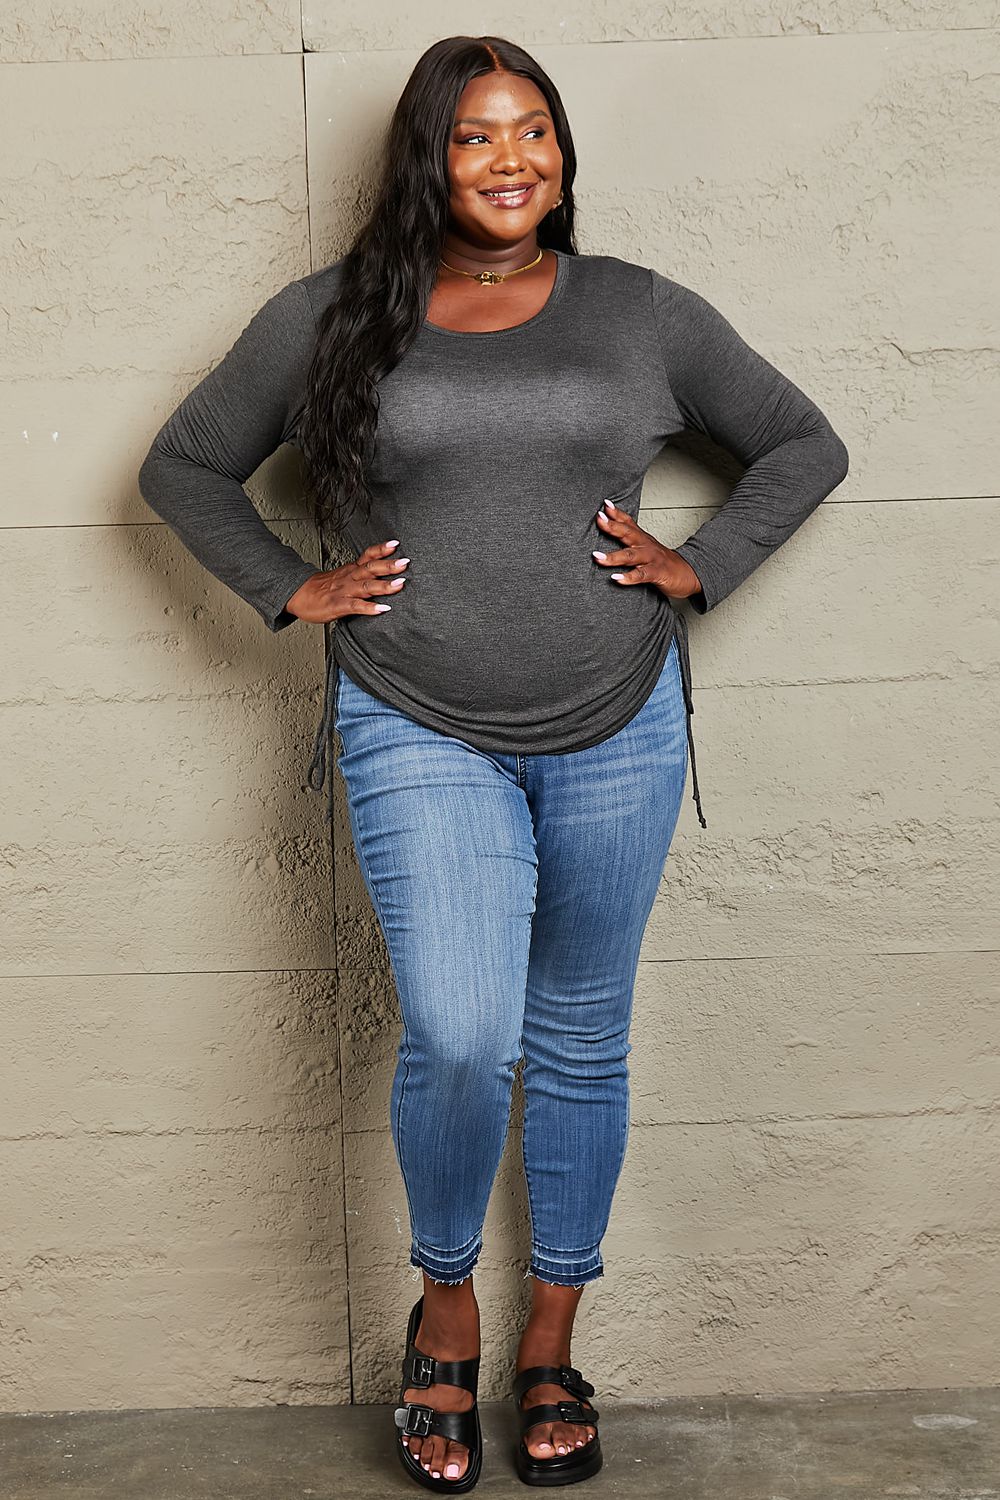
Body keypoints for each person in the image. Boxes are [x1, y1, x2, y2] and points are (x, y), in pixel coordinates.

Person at [138, 33, 849, 1494]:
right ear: (429, 158)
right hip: (415, 717)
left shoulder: (639, 312)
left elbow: (800, 442)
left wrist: (700, 564)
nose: (511, 158)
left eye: (534, 130)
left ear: (563, 155)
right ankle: (447, 1303)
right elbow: (183, 464)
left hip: (618, 720)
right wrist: (292, 585)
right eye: (475, 135)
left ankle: (553, 1338)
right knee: (463, 1030)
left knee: (581, 1035)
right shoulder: (335, 315)